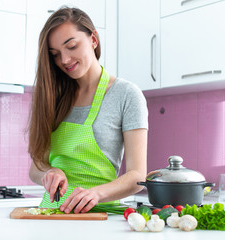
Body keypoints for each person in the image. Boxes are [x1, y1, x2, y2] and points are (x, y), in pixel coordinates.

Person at [27, 7, 148, 214]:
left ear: (93, 39)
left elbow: (137, 176)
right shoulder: (53, 95)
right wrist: (49, 172)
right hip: (50, 215)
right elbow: (36, 167)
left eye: (72, 46)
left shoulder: (126, 94)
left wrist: (95, 194)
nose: (64, 60)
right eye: (55, 55)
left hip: (99, 215)